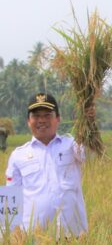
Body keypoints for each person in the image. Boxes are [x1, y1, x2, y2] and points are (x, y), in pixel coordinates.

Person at [4, 93, 88, 236]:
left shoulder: (72, 146)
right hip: (33, 240)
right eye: (36, 116)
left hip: (73, 237)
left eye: (47, 115)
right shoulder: (18, 155)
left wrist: (89, 122)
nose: (42, 120)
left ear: (58, 119)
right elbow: (11, 200)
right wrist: (6, 237)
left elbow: (92, 155)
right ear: (28, 121)